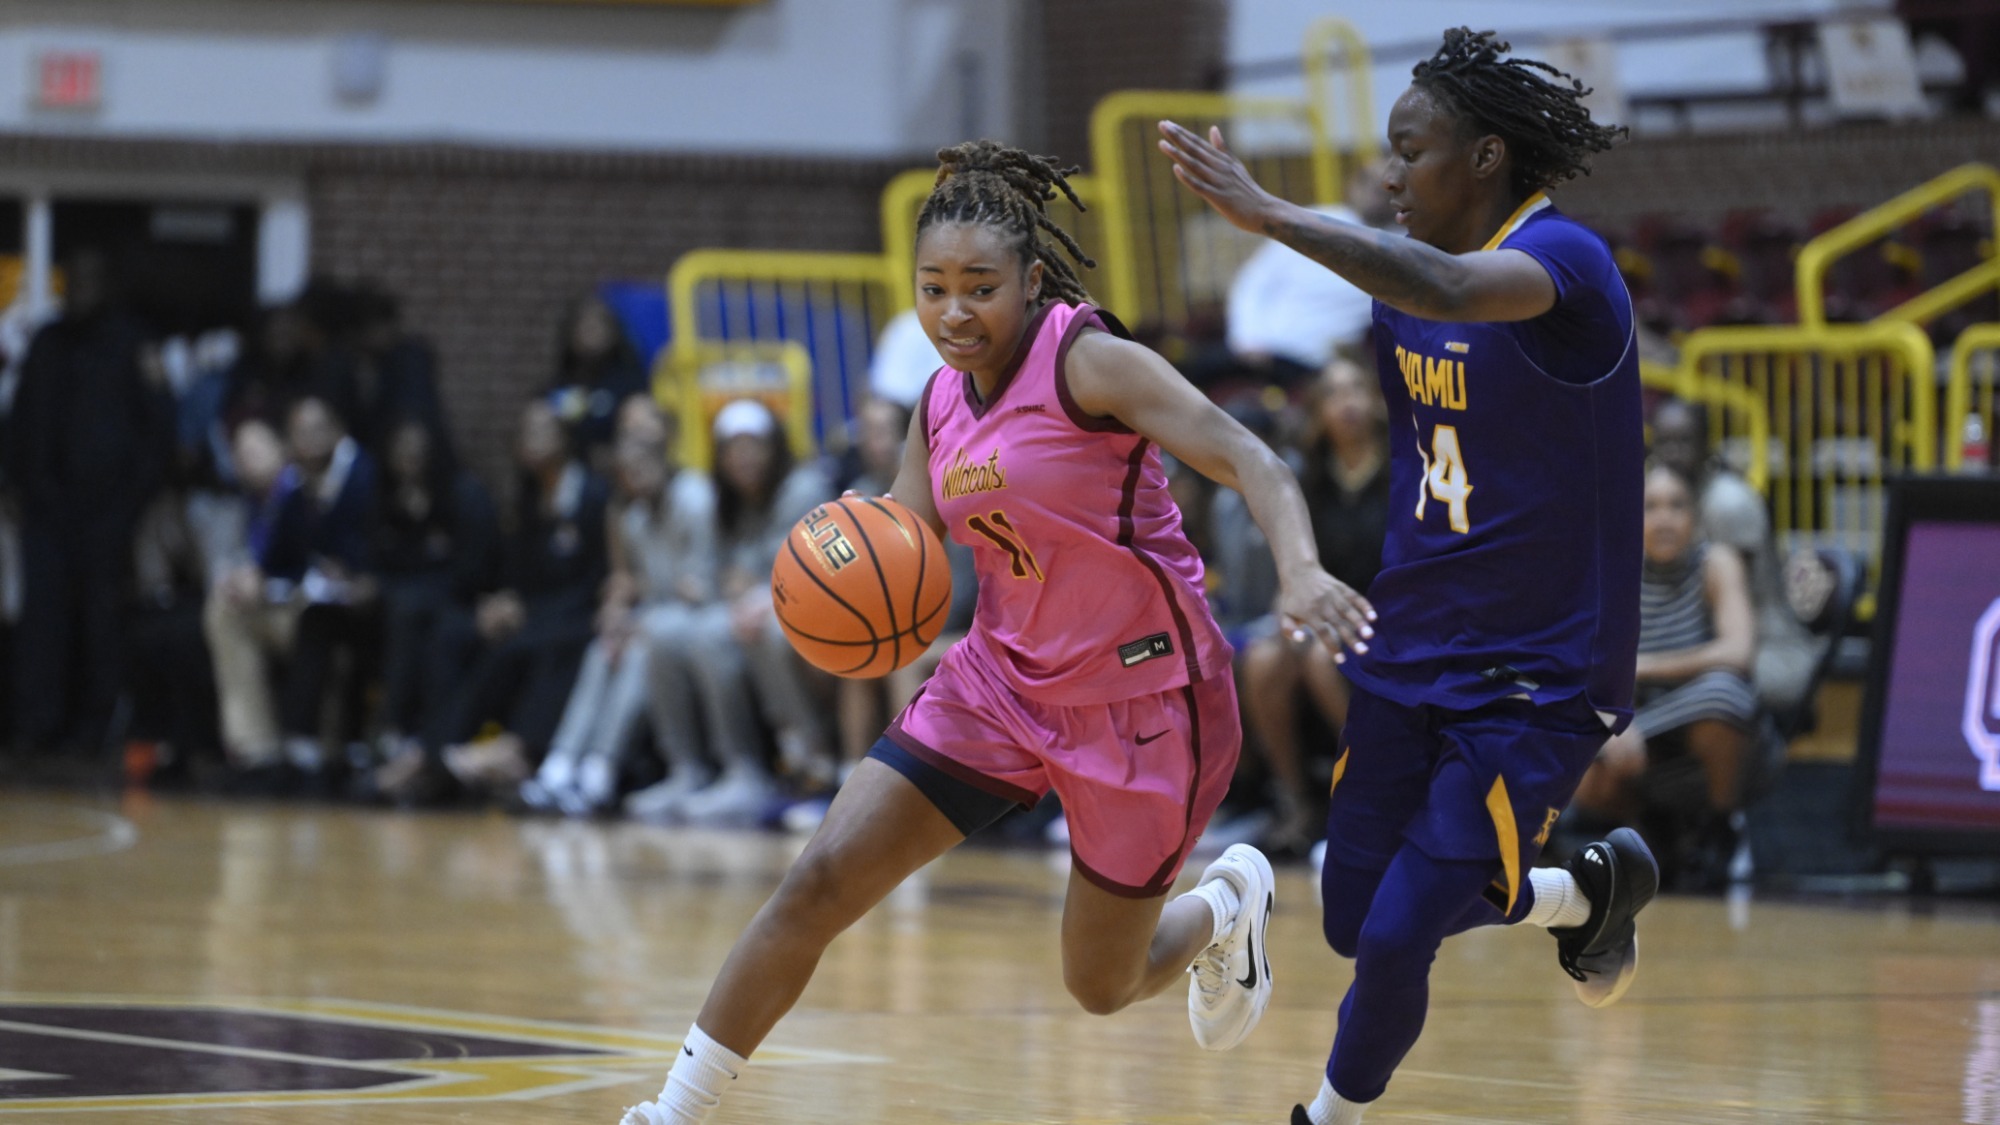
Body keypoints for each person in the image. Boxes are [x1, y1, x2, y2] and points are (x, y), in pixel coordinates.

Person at [618, 140, 1375, 1125]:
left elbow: (1248, 456)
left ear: (1028, 281)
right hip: (999, 685)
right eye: (932, 288)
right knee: (819, 880)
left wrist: (1300, 569)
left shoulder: (1088, 361)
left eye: (979, 286)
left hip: (1142, 700)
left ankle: (1223, 907)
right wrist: (835, 571)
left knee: (1100, 985)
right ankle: (670, 1114)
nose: (953, 310)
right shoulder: (938, 400)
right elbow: (906, 542)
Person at [1160, 27, 1658, 1125]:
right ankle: (1582, 896)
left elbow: (1447, 281)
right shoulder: (1393, 286)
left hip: (1536, 673)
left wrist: (1273, 216)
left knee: (1392, 939)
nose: (1388, 172)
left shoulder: (1565, 265)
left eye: (1408, 149)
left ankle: (1323, 1117)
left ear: (1483, 158)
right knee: (1350, 915)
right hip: (1408, 645)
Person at [626, 398, 831, 824]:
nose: (744, 457)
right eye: (733, 448)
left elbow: (814, 562)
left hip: (817, 605)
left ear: (775, 447)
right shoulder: (724, 501)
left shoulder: (804, 488)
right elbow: (712, 572)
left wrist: (756, 589)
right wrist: (714, 587)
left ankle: (813, 760)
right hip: (744, 607)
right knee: (662, 630)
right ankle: (695, 768)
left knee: (754, 628)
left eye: (753, 445)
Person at [527, 399, 717, 816]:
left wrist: (641, 612)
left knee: (639, 650)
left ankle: (600, 771)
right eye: (628, 472)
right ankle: (560, 765)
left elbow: (697, 589)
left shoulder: (695, 497)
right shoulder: (632, 518)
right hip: (656, 616)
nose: (636, 478)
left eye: (643, 467)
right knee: (604, 648)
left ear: (663, 459)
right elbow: (634, 584)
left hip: (699, 617)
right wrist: (618, 613)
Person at [1569, 461, 1760, 870]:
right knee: (1585, 779)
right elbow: (1585, 668)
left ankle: (1721, 826)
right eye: (1650, 507)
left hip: (1699, 705)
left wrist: (1643, 666)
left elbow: (1739, 651)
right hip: (1638, 713)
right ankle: (1652, 827)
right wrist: (1615, 722)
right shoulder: (1613, 571)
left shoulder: (1716, 562)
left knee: (1726, 692)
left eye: (1676, 506)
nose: (1664, 519)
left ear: (1695, 517)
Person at [1238, 356, 1390, 851]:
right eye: (1333, 394)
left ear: (1374, 399)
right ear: (1319, 412)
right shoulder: (1309, 482)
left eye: (1355, 390)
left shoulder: (1403, 470)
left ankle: (1377, 800)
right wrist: (1288, 607)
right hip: (1327, 614)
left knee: (1326, 660)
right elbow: (1296, 565)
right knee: (1263, 659)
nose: (1346, 403)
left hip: (1390, 615)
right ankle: (1299, 803)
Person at [1647, 397, 1815, 718]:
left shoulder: (1728, 504)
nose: (1673, 453)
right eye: (1664, 443)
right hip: (1705, 644)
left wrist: (1655, 663)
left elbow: (1733, 611)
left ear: (1707, 446)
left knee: (1707, 693)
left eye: (1685, 442)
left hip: (1766, 649)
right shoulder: (1666, 498)